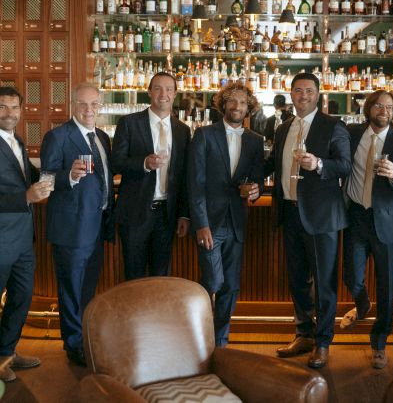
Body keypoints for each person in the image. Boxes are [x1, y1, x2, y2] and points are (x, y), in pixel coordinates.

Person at [265, 72, 351, 369]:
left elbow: (345, 166)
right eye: (298, 90)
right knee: (298, 279)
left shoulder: (333, 126)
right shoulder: (283, 128)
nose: (303, 95)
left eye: (309, 91)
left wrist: (319, 164)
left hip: (321, 215)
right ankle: (304, 334)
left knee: (324, 282)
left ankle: (323, 342)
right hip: (289, 211)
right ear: (291, 94)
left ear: (318, 94)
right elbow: (272, 163)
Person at [341, 90, 393, 369]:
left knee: (386, 287)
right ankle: (362, 304)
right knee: (351, 276)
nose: (384, 110)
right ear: (368, 108)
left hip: (387, 220)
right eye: (379, 106)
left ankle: (379, 343)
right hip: (356, 216)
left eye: (389, 107)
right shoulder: (350, 134)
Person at [40, 82, 114, 367]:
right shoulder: (58, 136)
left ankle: (84, 338)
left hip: (96, 227)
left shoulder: (102, 138)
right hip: (71, 229)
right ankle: (73, 345)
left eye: (94, 104)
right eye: (83, 104)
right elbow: (45, 181)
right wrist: (68, 176)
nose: (89, 109)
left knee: (86, 290)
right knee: (71, 289)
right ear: (73, 105)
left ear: (100, 107)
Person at [188, 82, 263, 347]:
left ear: (249, 107)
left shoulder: (255, 140)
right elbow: (194, 183)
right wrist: (201, 224)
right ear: (223, 105)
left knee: (231, 286)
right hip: (210, 221)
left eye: (243, 103)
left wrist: (255, 189)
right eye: (232, 101)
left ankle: (220, 340)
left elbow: (257, 179)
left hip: (237, 222)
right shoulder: (205, 135)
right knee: (213, 280)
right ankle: (202, 336)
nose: (237, 106)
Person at [112, 72, 190, 280]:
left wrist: (183, 214)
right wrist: (144, 163)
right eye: (157, 88)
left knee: (160, 276)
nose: (163, 94)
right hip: (135, 212)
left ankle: (158, 314)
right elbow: (116, 162)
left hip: (166, 215)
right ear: (149, 92)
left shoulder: (183, 130)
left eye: (168, 89)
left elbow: (183, 177)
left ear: (175, 94)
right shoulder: (129, 123)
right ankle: (134, 314)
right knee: (134, 275)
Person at [0, 87, 51, 383]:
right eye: (3, 107)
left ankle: (7, 353)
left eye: (14, 108)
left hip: (22, 241)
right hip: (2, 238)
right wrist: (25, 198)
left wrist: (64, 173)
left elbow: (29, 178)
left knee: (21, 298)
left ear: (21, 109)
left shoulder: (16, 140)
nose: (9, 113)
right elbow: (24, 192)